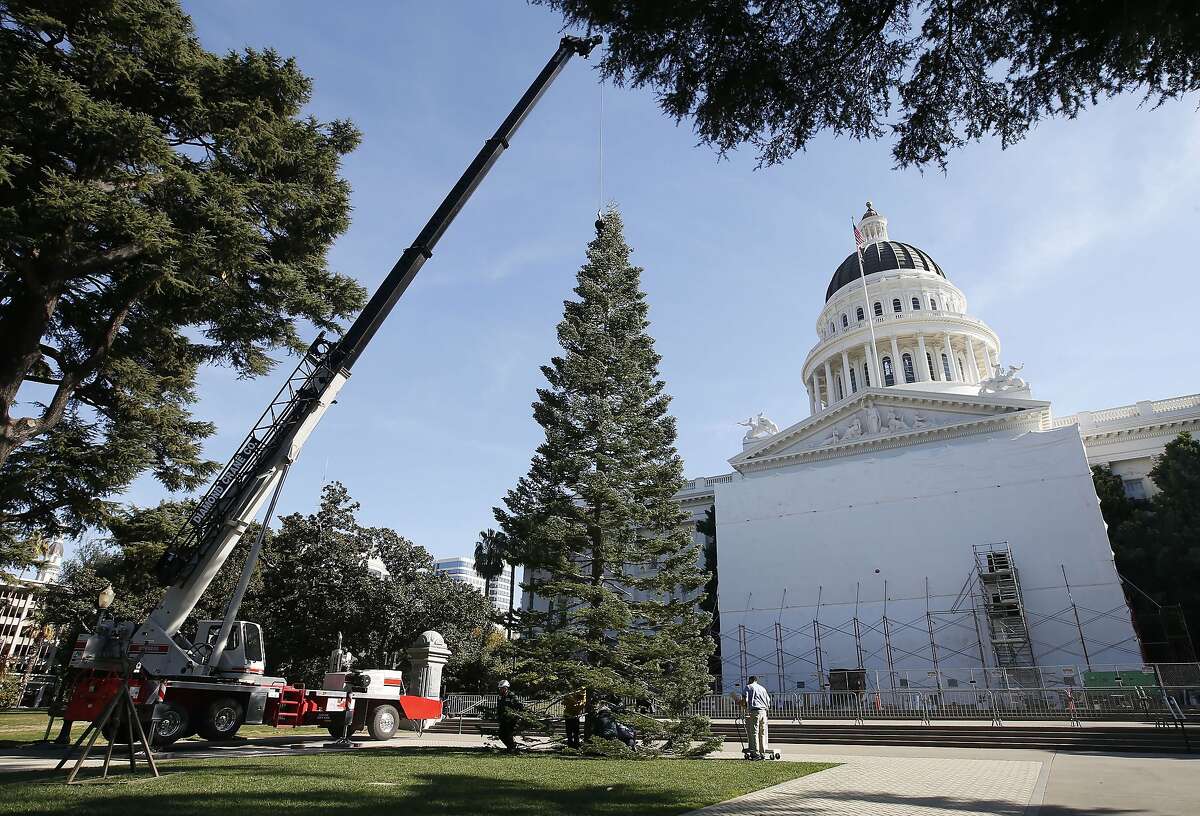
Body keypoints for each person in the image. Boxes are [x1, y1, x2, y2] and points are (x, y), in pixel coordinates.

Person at [743, 675, 771, 759]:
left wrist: (744, 707)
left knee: (754, 732)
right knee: (762, 733)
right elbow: (768, 701)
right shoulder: (762, 688)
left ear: (750, 680)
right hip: (764, 711)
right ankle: (762, 752)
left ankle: (755, 753)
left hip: (755, 711)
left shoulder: (748, 687)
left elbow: (745, 699)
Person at [495, 679, 525, 752]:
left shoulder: (512, 696)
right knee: (501, 735)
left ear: (506, 688)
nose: (501, 690)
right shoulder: (499, 697)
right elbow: (499, 707)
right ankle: (510, 747)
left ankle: (512, 748)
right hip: (503, 719)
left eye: (502, 688)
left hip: (511, 719)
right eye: (500, 688)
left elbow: (519, 705)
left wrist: (519, 716)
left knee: (509, 734)